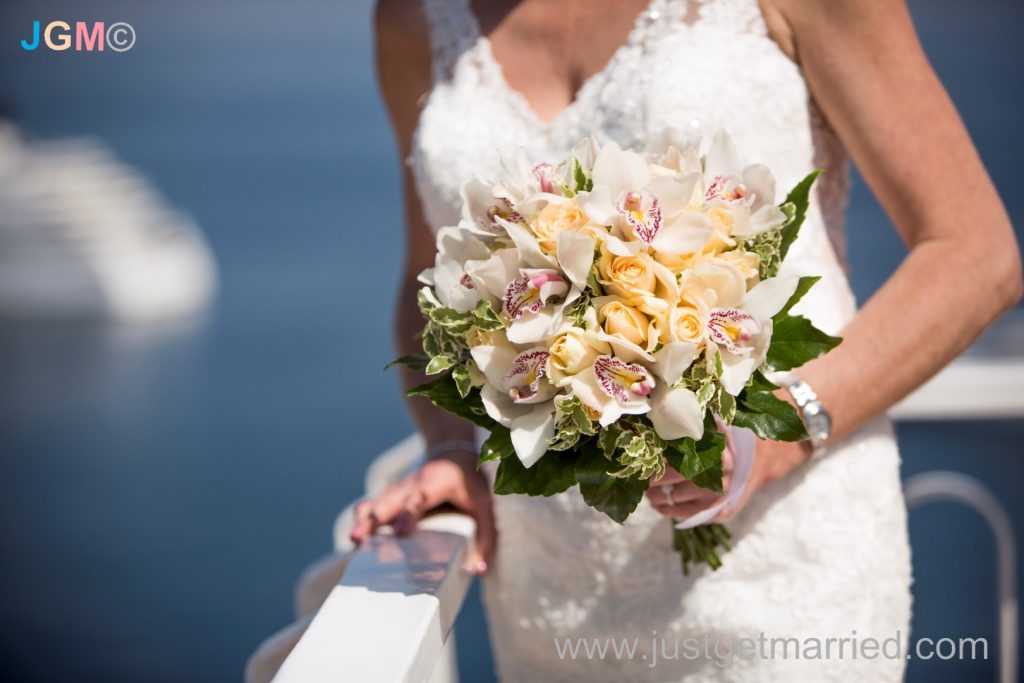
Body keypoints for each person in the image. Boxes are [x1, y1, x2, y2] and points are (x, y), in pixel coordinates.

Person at [352, 0, 1022, 679]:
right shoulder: (413, 17)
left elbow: (974, 254)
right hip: (551, 584)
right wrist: (448, 447)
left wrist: (779, 433)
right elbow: (432, 280)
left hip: (779, 567)